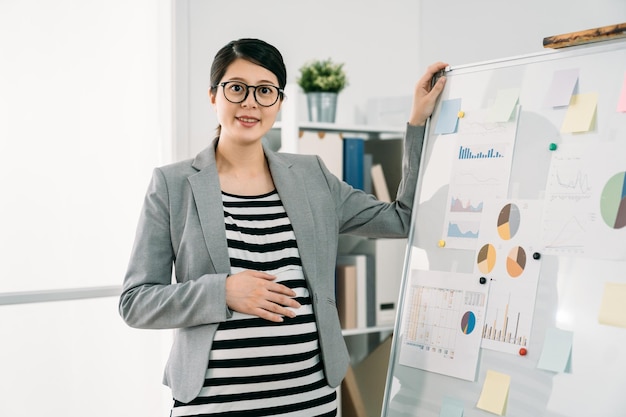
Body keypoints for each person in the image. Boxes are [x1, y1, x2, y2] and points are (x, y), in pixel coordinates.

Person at [119, 37, 446, 416]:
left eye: (265, 91)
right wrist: (222, 291)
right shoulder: (173, 185)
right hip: (213, 405)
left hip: (308, 401)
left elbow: (402, 218)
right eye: (237, 88)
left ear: (279, 102)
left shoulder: (312, 177)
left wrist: (418, 121)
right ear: (213, 96)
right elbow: (136, 302)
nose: (251, 103)